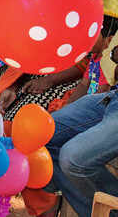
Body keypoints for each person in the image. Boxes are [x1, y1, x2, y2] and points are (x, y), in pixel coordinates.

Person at [40, 16, 118, 217]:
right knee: (42, 136)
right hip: (113, 96)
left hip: (109, 97)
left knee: (73, 158)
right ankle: (96, 212)